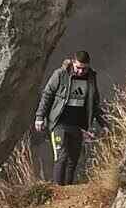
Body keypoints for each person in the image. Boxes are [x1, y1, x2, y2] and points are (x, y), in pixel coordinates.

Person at [34, 50, 105, 186]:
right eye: (78, 68)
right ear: (73, 63)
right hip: (59, 123)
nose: (80, 71)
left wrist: (104, 124)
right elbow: (47, 95)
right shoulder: (60, 74)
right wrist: (39, 116)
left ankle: (68, 191)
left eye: (84, 68)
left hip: (77, 125)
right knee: (62, 156)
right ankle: (58, 189)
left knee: (73, 160)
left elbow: (94, 104)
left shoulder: (91, 78)